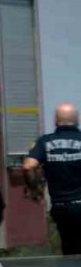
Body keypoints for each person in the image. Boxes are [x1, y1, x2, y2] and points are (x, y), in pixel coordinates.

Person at [25, 102, 81, 255]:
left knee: (69, 246)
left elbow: (29, 166)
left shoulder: (45, 142)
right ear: (78, 120)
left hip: (60, 206)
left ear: (56, 120)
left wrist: (35, 189)